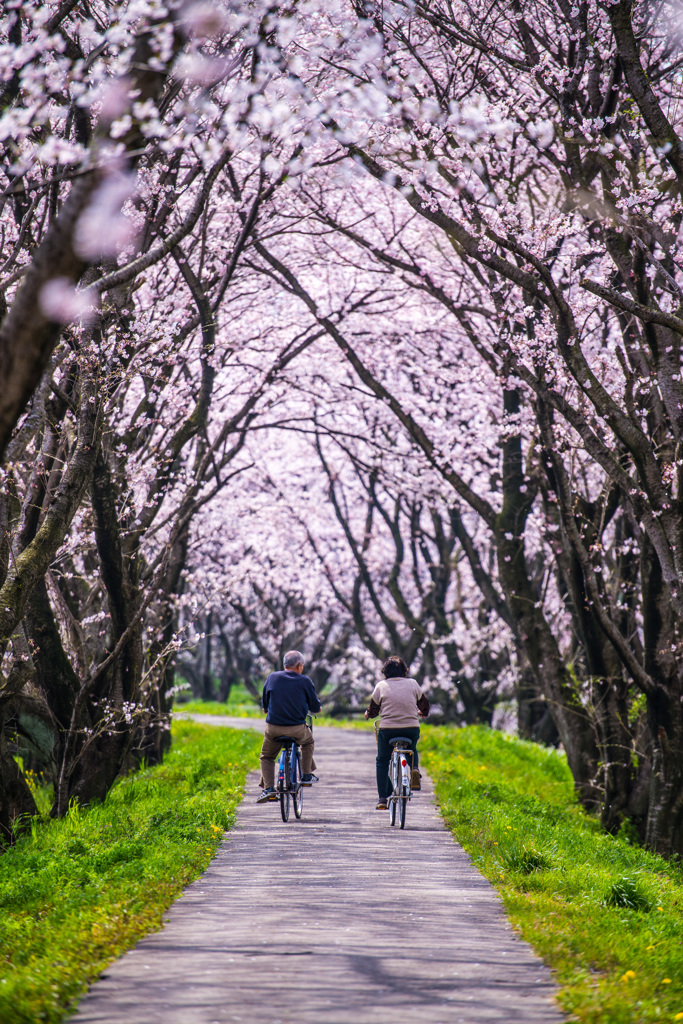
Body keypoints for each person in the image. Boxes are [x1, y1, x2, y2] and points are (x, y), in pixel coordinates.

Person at [364, 655, 430, 810]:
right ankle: (414, 769)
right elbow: (424, 704)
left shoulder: (381, 686)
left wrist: (368, 714)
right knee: (412, 748)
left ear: (385, 672)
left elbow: (373, 710)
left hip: (388, 729)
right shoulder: (413, 684)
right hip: (411, 727)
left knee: (382, 761)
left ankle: (382, 798)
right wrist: (422, 712)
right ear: (405, 671)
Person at [256, 650, 322, 803]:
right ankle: (306, 775)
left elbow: (265, 705)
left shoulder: (272, 677)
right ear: (299, 666)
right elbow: (315, 706)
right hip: (297, 729)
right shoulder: (305, 681)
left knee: (267, 757)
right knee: (308, 742)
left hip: (273, 729)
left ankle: (269, 788)